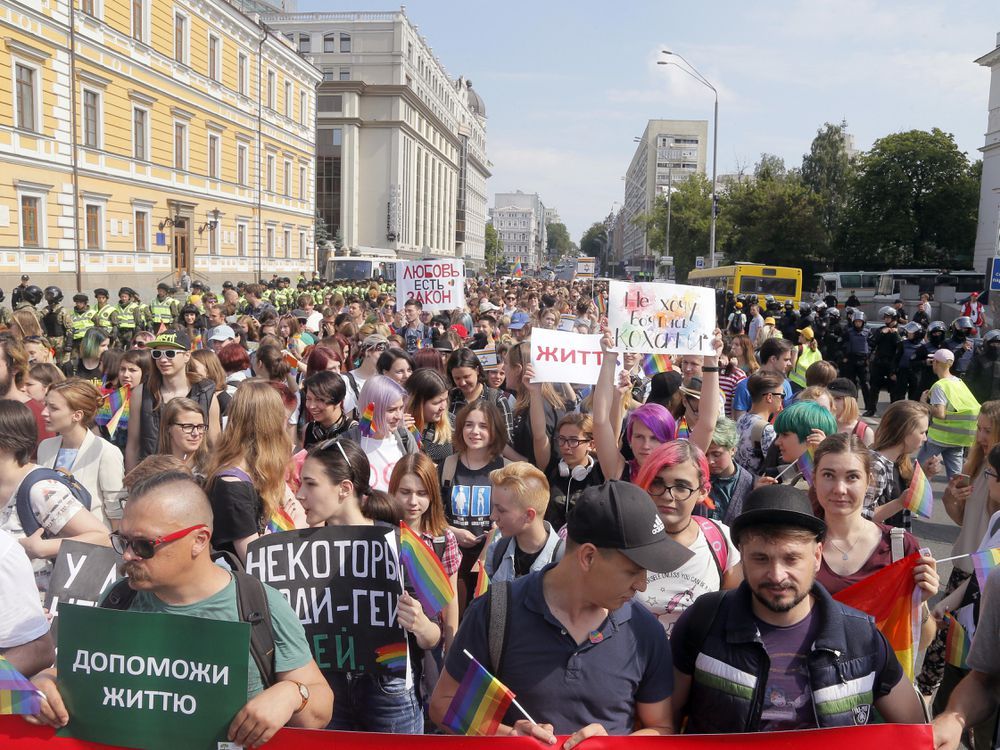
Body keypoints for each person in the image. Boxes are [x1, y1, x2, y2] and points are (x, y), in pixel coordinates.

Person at [26, 473, 333, 746]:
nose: (129, 555)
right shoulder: (119, 599)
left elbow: (320, 710)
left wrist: (293, 694)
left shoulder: (258, 604)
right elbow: (72, 673)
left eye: (144, 545)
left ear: (199, 540)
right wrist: (44, 684)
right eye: (123, 541)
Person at [430, 479, 691, 741]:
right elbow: (443, 704)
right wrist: (509, 736)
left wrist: (611, 746)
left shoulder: (644, 631)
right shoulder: (495, 611)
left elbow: (661, 728)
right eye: (633, 571)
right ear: (588, 557)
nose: (642, 585)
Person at [668, 483, 927, 733]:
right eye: (761, 558)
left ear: (816, 556)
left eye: (791, 558)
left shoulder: (862, 638)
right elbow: (664, 720)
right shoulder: (704, 620)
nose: (777, 575)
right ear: (742, 556)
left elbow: (915, 732)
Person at [295, 440, 430, 733]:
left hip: (388, 691)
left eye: (310, 484)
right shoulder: (298, 551)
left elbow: (433, 637)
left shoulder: (399, 545)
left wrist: (419, 624)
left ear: (344, 488)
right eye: (300, 484)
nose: (300, 494)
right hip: (327, 687)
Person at [810, 434, 938, 630]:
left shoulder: (899, 545)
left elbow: (922, 641)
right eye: (828, 475)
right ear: (814, 478)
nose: (840, 489)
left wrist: (919, 603)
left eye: (852, 477)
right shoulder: (797, 543)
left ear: (869, 480)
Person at [919, 401, 1000, 697]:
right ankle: (928, 705)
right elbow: (964, 521)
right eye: (978, 428)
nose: (980, 436)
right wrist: (951, 498)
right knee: (940, 648)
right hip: (962, 569)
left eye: (988, 430)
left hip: (984, 576)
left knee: (969, 655)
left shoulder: (996, 472)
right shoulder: (977, 465)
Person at [0, 400, 109, 589]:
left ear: (7, 443)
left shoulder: (41, 489)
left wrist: (40, 548)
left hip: (37, 608)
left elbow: (103, 537)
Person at [204, 381, 297, 561]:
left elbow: (300, 515)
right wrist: (284, 526)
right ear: (269, 426)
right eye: (281, 418)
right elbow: (255, 559)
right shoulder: (232, 485)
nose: (285, 425)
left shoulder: (260, 470)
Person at [440, 400, 508, 611]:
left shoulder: (506, 470)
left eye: (483, 426)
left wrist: (495, 535)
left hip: (491, 561)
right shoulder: (447, 467)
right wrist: (452, 531)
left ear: (495, 430)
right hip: (452, 560)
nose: (475, 431)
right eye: (469, 425)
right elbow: (429, 514)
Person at [389, 453, 460, 650]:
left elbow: (450, 597)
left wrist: (450, 647)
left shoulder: (443, 539)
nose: (413, 501)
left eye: (422, 493)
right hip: (388, 637)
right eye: (405, 492)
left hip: (429, 635)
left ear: (433, 495)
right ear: (393, 490)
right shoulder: (379, 532)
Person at [125, 331, 220, 471]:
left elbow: (215, 444)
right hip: (152, 477)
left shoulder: (206, 393)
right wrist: (132, 483)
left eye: (170, 353)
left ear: (187, 355)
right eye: (157, 354)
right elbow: (133, 444)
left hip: (195, 476)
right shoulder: (141, 393)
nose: (163, 360)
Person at [38, 379, 125, 530]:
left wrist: (116, 547)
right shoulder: (45, 447)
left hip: (92, 544)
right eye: (46, 405)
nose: (44, 412)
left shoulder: (106, 452)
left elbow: (115, 510)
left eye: (53, 408)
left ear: (77, 415)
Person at [483, 462, 563, 582]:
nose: (493, 516)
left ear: (528, 515)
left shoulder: (563, 562)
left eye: (501, 510)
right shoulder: (497, 552)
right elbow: (497, 600)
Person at [871, 400, 942, 529]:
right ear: (904, 432)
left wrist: (925, 475)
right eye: (922, 432)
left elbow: (908, 500)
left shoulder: (900, 460)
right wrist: (899, 503)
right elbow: (862, 517)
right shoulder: (876, 466)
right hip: (877, 544)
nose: (925, 438)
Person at [919, 348, 981, 479]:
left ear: (935, 362)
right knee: (956, 478)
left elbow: (940, 413)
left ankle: (914, 498)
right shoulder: (959, 382)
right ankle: (959, 499)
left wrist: (923, 402)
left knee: (919, 472)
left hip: (938, 438)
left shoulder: (940, 386)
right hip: (958, 439)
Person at [544, 413, 605, 530]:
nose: (566, 446)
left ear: (591, 444)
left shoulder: (600, 473)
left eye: (573, 440)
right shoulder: (552, 468)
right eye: (562, 439)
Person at [446, 347, 513, 437]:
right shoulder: (449, 398)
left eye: (466, 377)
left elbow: (507, 440)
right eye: (457, 378)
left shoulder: (497, 400)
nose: (462, 383)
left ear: (477, 370)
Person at [705, 417, 755, 524]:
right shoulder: (699, 478)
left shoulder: (748, 483)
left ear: (732, 449)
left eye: (716, 454)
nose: (710, 461)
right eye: (705, 455)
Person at [733, 371, 783, 476]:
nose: (782, 399)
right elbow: (775, 466)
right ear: (769, 397)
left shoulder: (741, 419)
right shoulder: (767, 430)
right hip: (756, 488)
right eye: (782, 395)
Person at [732, 337, 793, 420]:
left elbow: (788, 417)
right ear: (773, 359)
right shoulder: (744, 386)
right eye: (786, 359)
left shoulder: (785, 384)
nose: (790, 363)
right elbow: (740, 424)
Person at [405, 368, 454, 462]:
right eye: (437, 402)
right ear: (417, 403)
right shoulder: (401, 428)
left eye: (445, 399)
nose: (443, 407)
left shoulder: (452, 421)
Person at [156, 397, 210, 478]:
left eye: (200, 427)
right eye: (187, 426)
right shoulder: (153, 472)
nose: (196, 433)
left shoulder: (213, 471)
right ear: (168, 428)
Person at [301, 370, 352, 448]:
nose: (311, 406)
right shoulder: (309, 429)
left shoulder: (353, 431)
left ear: (338, 401)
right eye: (308, 399)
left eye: (319, 400)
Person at [828, 377, 874, 446]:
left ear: (850, 402)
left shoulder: (864, 432)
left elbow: (867, 456)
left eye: (837, 398)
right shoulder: (820, 425)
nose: (831, 402)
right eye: (829, 398)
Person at [788, 326, 821, 395]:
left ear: (803, 337)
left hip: (793, 383)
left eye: (800, 335)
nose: (798, 336)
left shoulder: (797, 348)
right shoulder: (818, 353)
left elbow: (790, 366)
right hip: (808, 387)